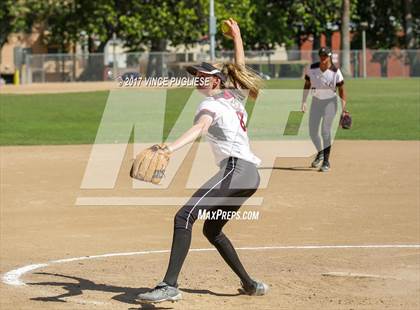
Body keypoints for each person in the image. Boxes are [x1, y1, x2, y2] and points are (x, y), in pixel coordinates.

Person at [137, 19, 268, 303]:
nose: (197, 77)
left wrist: (170, 148)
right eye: (196, 74)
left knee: (184, 216)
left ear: (216, 80)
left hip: (236, 170)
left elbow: (200, 129)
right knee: (212, 230)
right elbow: (241, 67)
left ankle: (169, 285)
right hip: (250, 176)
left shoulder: (209, 104)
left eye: (202, 74)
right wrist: (237, 36)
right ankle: (250, 284)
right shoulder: (235, 97)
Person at [301, 47, 347, 172]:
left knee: (325, 131)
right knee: (312, 132)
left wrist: (344, 109)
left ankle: (326, 161)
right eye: (321, 55)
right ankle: (320, 152)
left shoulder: (335, 72)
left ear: (330, 56)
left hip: (330, 103)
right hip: (316, 103)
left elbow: (342, 91)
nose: (323, 58)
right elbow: (306, 85)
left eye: (325, 55)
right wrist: (304, 101)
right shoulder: (312, 69)